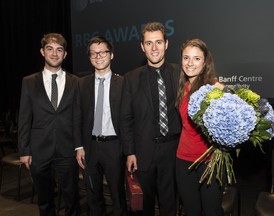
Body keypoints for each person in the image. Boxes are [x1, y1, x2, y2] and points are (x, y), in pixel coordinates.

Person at [120, 22, 182, 216]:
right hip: (143, 151)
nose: (154, 48)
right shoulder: (130, 78)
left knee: (170, 204)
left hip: (173, 150)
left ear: (166, 44)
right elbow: (126, 118)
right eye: (149, 43)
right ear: (142, 46)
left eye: (158, 42)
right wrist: (130, 152)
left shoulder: (181, 73)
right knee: (144, 207)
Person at [18, 33, 81, 216]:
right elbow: (24, 118)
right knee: (44, 200)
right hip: (39, 150)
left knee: (72, 198)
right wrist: (24, 150)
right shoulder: (29, 82)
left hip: (68, 149)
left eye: (59, 49)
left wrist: (79, 147)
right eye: (50, 48)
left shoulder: (75, 82)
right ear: (42, 52)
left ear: (65, 54)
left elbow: (77, 117)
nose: (54, 53)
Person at [76, 36, 127, 216]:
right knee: (93, 195)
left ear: (111, 55)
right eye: (93, 53)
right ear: (89, 57)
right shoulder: (81, 84)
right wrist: (79, 146)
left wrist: (127, 150)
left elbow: (129, 120)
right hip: (89, 148)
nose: (98, 56)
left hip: (114, 148)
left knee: (118, 197)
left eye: (103, 52)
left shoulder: (123, 83)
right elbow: (77, 118)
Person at [175, 38, 225, 216]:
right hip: (183, 160)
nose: (190, 63)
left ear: (205, 63)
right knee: (191, 210)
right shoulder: (183, 86)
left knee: (212, 211)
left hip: (209, 161)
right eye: (186, 57)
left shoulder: (215, 88)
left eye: (196, 58)